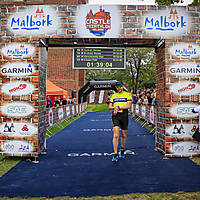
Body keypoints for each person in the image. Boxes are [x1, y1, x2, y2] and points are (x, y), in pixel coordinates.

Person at [109, 81, 133, 162]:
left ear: (123, 86)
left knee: (123, 134)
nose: (119, 88)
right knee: (116, 135)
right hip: (116, 116)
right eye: (117, 87)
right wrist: (115, 108)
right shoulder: (113, 96)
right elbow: (109, 106)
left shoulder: (127, 95)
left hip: (124, 115)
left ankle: (122, 149)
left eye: (120, 86)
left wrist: (119, 107)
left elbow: (128, 106)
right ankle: (115, 153)